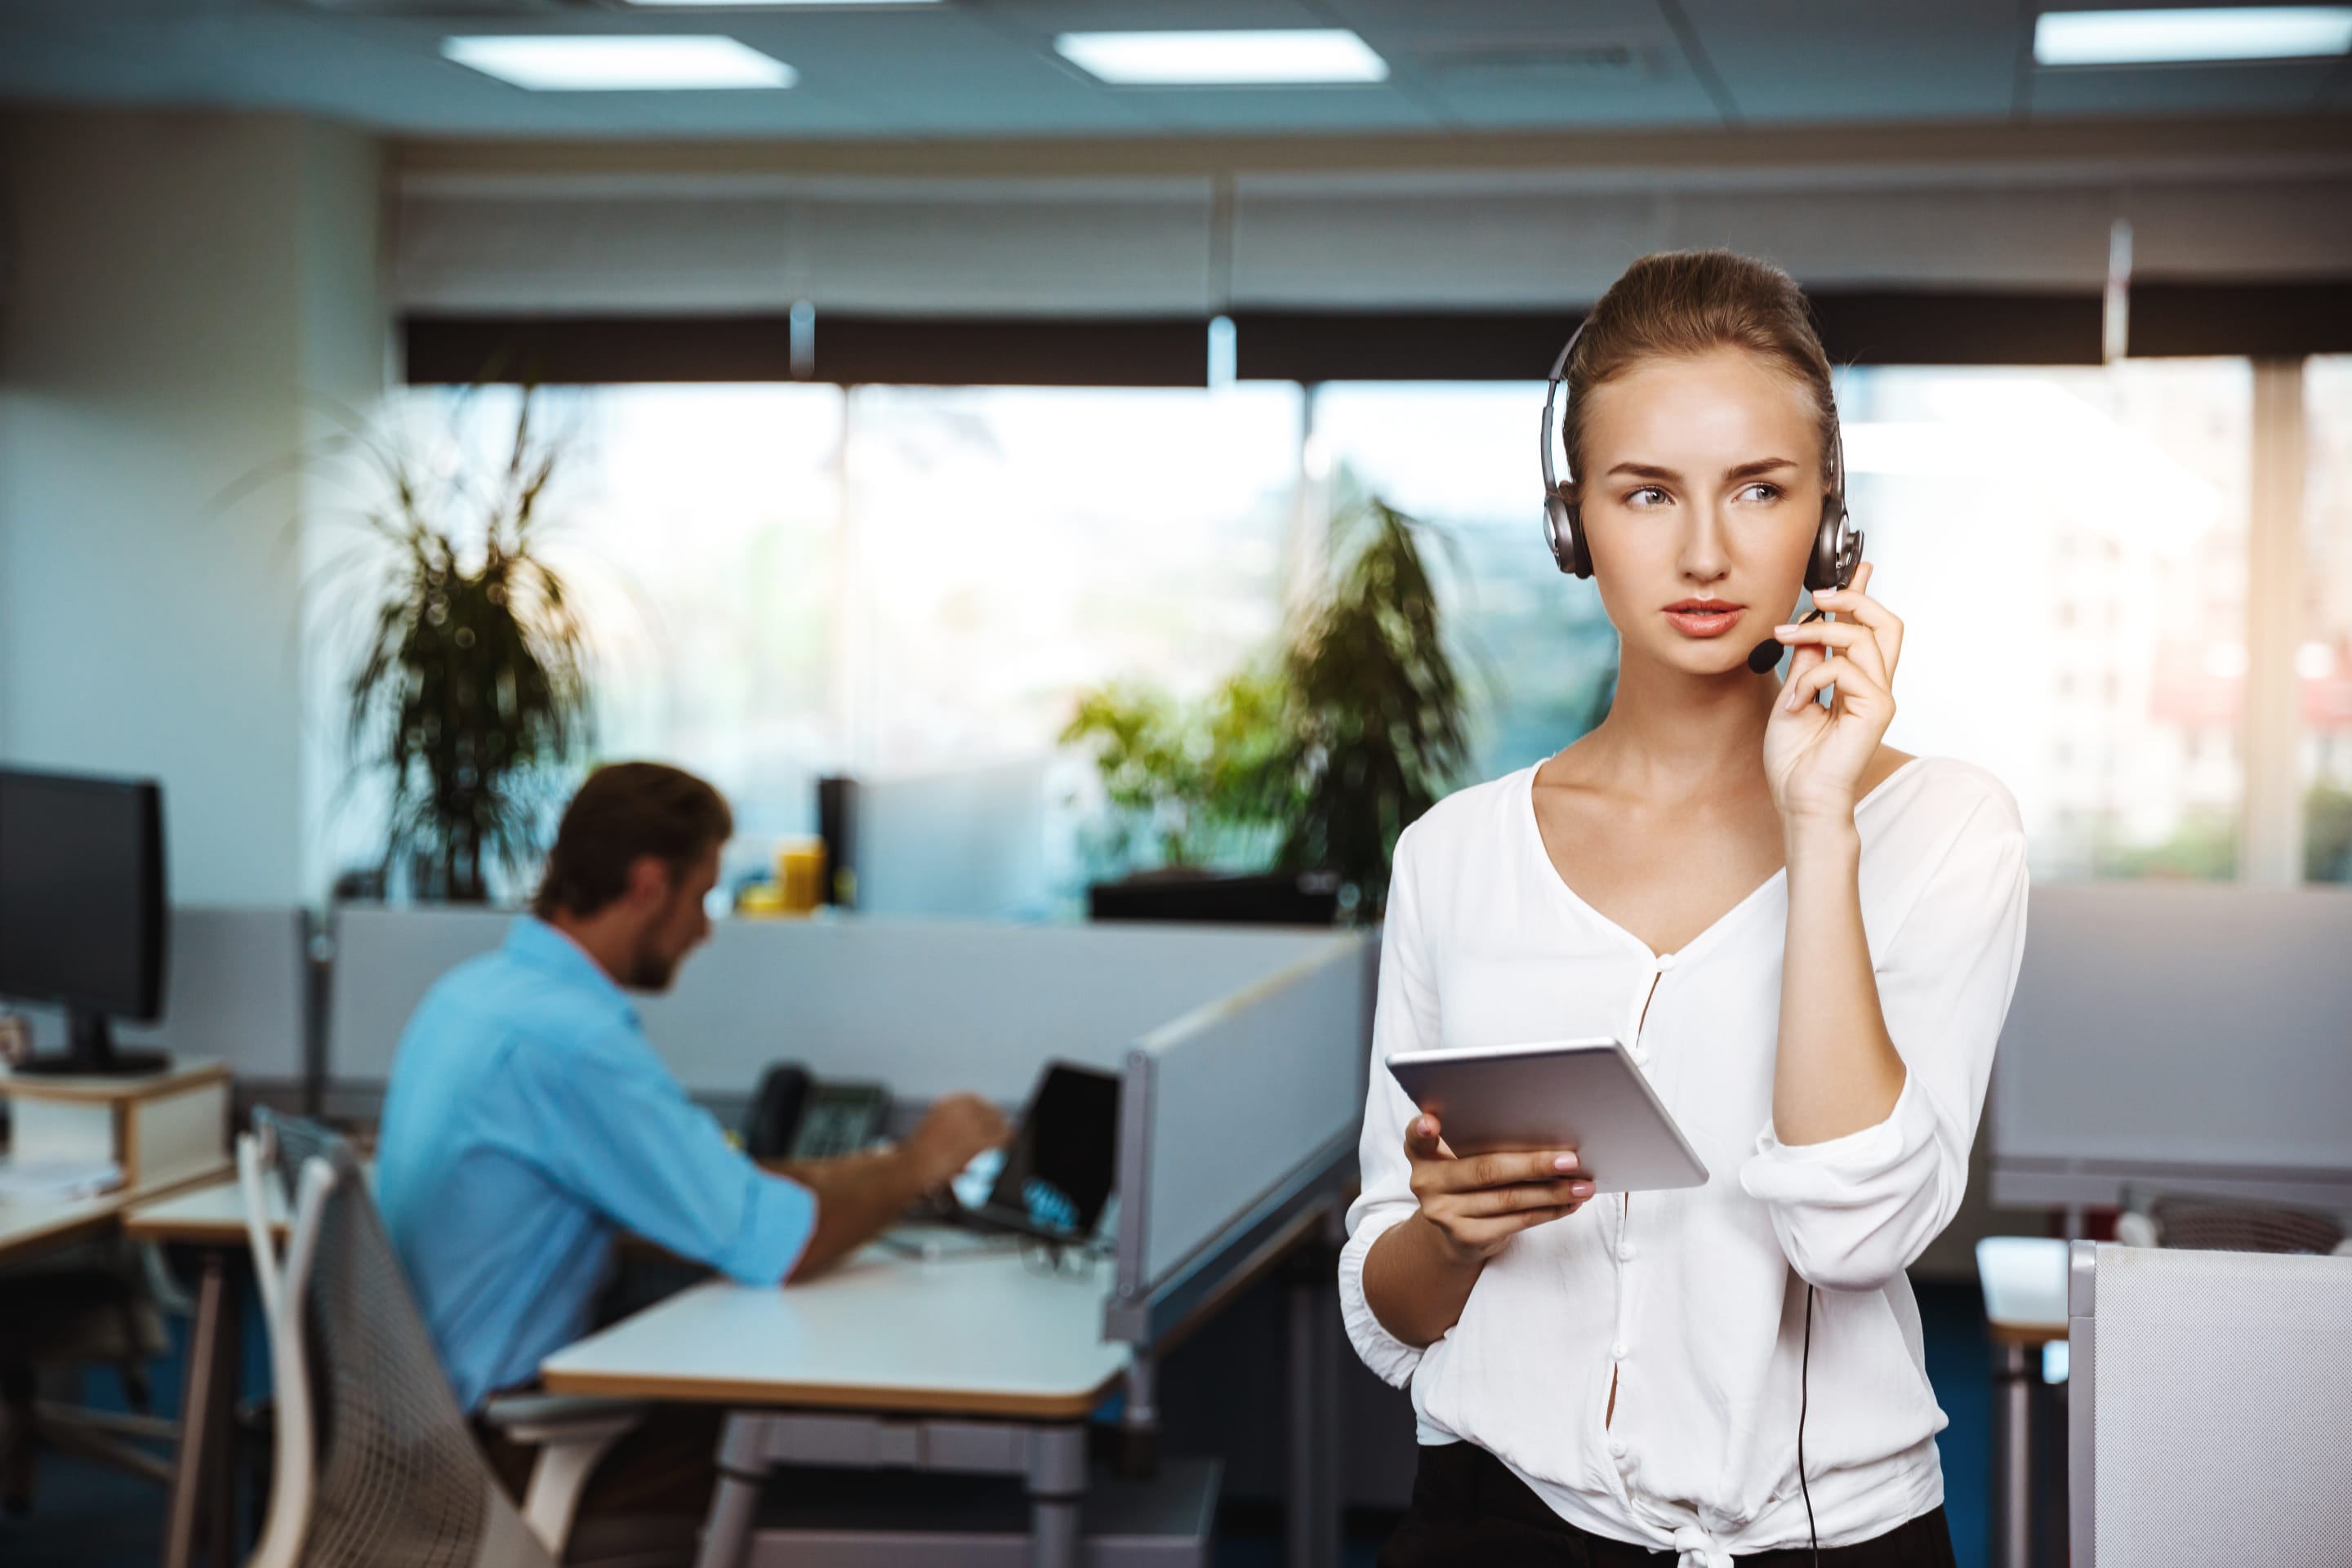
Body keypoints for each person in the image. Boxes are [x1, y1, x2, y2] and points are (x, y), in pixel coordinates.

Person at [1341, 251, 2029, 1567]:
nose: (1705, 552)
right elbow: (1389, 1306)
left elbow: (1855, 1233)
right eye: (1647, 492)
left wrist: (1818, 816)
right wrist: (1446, 1232)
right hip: (1491, 1526)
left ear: (1828, 523)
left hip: (1823, 1541)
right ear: (1573, 522)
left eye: (1759, 491)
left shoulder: (1943, 828)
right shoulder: (1454, 855)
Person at [376, 761, 1009, 1417]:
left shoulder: (470, 995)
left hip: (422, 1424)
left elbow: (718, 1192)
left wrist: (841, 1176)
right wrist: (920, 1163)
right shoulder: (572, 1045)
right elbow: (776, 1244)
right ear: (650, 884)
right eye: (702, 897)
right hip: (502, 1445)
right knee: (791, 1450)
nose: (705, 930)